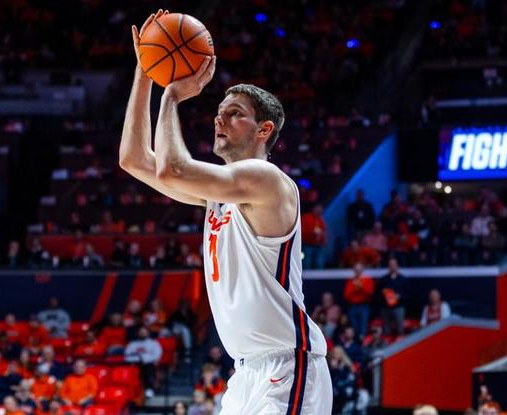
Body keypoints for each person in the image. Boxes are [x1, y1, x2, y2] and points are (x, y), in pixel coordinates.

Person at [121, 10, 331, 414]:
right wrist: (146, 70)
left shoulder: (267, 180)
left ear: (264, 130)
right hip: (246, 373)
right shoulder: (219, 195)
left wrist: (170, 96)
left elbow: (171, 168)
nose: (220, 117)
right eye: (220, 110)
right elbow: (133, 159)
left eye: (235, 113)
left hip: (288, 367)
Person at [378, 257, 407, 337]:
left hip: (398, 308)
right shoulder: (383, 279)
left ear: (397, 266)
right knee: (386, 330)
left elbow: (407, 293)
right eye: (390, 264)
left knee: (400, 329)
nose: (392, 266)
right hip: (386, 308)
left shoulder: (403, 279)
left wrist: (399, 296)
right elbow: (378, 293)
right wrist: (385, 295)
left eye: (394, 264)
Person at [343, 263, 374, 338]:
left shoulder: (367, 280)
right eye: (356, 269)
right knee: (354, 325)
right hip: (353, 306)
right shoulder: (350, 281)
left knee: (364, 325)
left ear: (362, 270)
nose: (358, 271)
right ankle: (354, 339)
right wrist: (354, 288)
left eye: (359, 269)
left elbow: (370, 293)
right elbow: (346, 296)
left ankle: (363, 339)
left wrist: (361, 287)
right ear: (354, 270)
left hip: (364, 305)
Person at [301, 204, 327, 269]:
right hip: (308, 244)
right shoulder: (306, 218)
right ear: (314, 209)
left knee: (319, 263)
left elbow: (324, 231)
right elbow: (302, 231)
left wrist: (323, 240)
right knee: (307, 263)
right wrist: (312, 232)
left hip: (319, 245)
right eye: (318, 209)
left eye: (321, 210)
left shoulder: (321, 220)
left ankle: (320, 275)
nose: (319, 211)